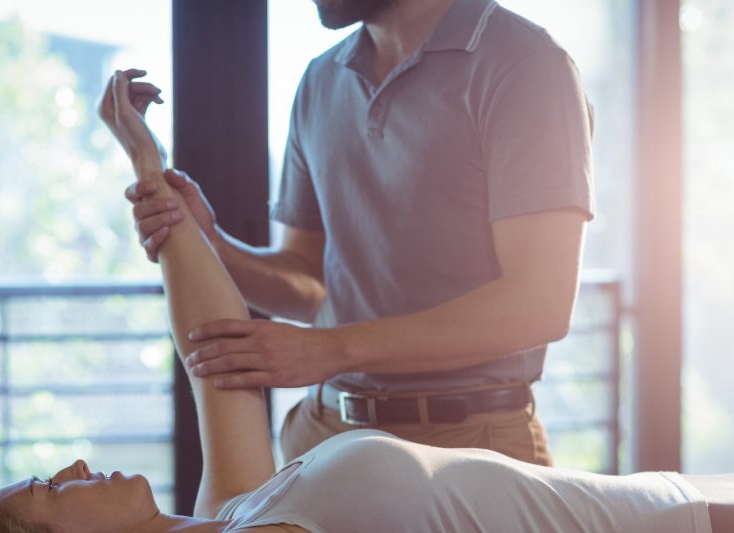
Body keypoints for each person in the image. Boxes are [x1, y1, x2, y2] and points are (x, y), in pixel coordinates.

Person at [0, 70, 734, 533]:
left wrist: (142, 162)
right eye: (50, 489)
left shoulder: (233, 518)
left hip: (682, 502)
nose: (74, 468)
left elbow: (218, 361)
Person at [127, 0, 594, 464]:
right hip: (323, 434)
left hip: (470, 445)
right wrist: (212, 245)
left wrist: (331, 350)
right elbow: (310, 284)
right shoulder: (320, 79)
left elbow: (540, 305)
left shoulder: (528, 65)